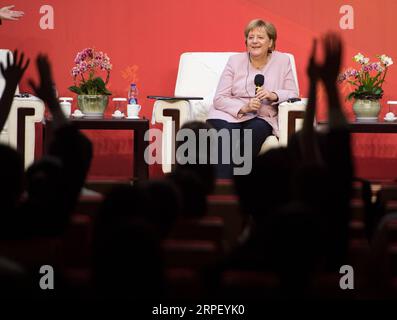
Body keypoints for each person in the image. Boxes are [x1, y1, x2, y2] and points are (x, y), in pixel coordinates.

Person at [206, 19, 298, 178]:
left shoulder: (282, 61)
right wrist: (244, 108)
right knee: (226, 137)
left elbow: (292, 93)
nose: (254, 41)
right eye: (251, 37)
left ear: (270, 42)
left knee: (254, 133)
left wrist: (273, 95)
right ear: (246, 41)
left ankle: (237, 186)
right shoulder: (234, 61)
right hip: (229, 113)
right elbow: (219, 98)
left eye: (260, 37)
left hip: (262, 116)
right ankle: (223, 189)